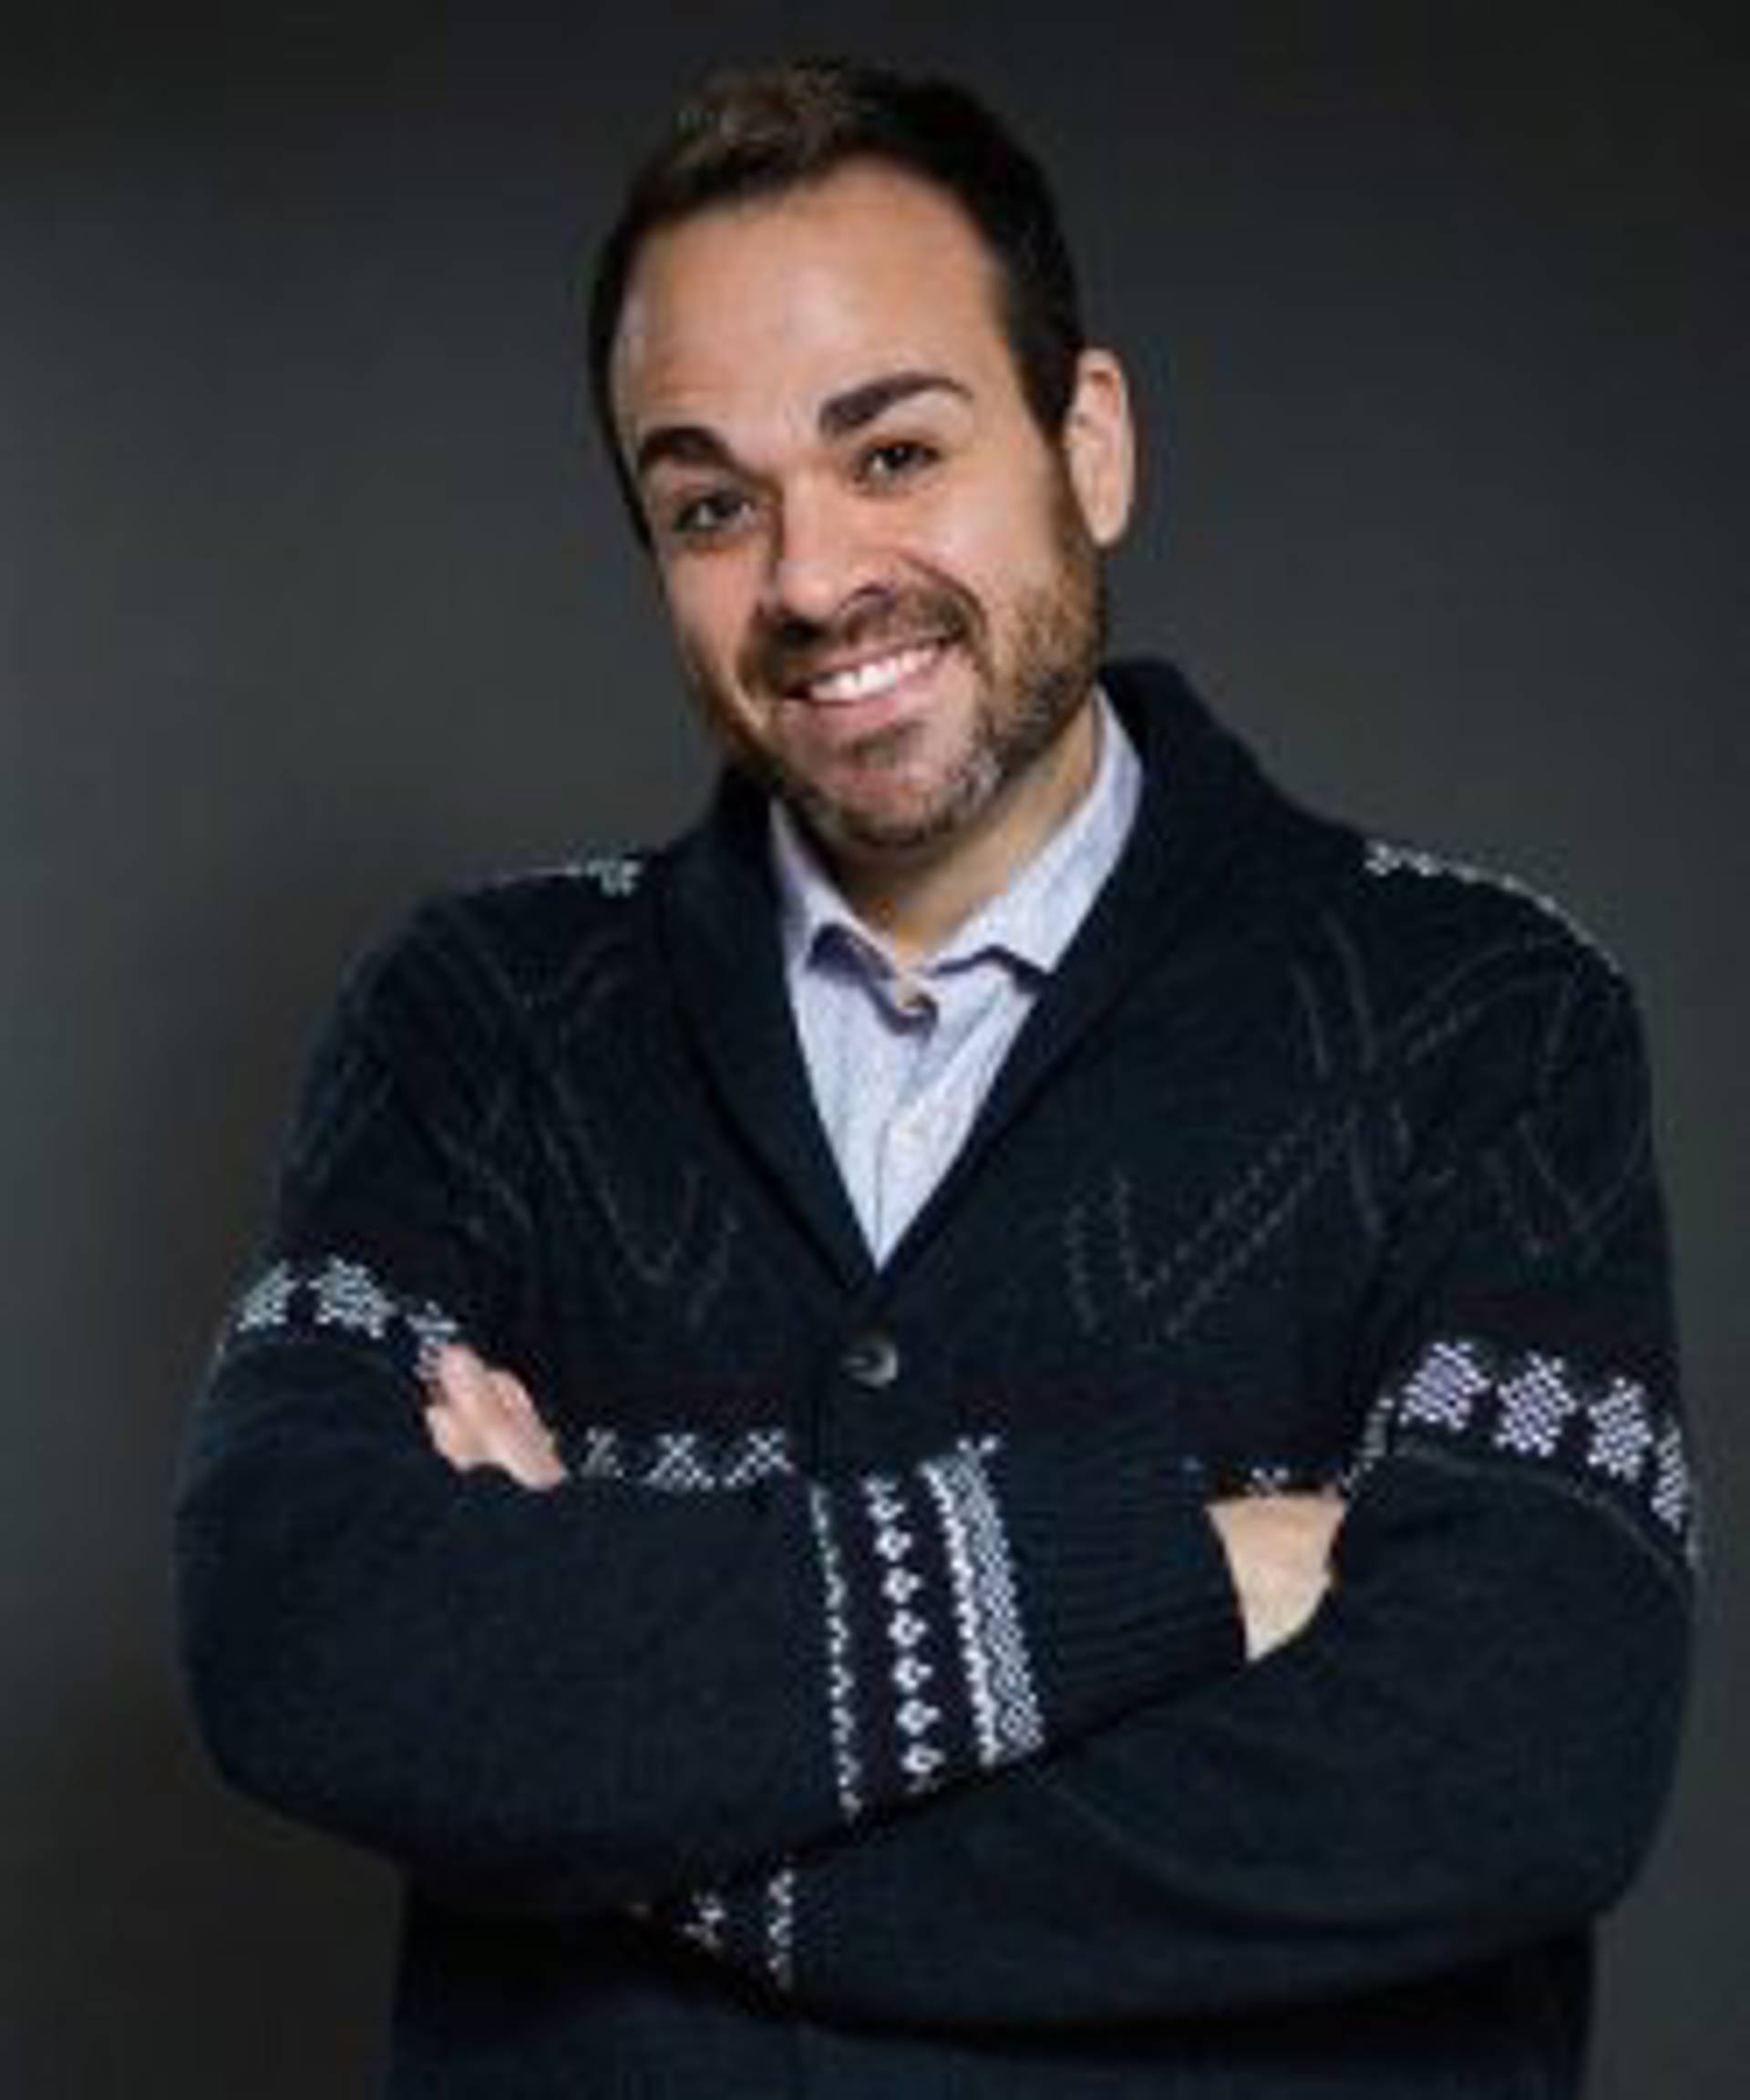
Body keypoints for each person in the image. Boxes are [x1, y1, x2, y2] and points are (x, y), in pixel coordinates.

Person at [174, 58, 1693, 2098]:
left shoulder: (1481, 1012)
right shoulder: (478, 1020)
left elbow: (1516, 1757)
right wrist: (1157, 1574)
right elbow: (305, 1636)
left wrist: (617, 1787)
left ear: (1093, 445)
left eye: (892, 453)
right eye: (711, 502)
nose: (809, 581)